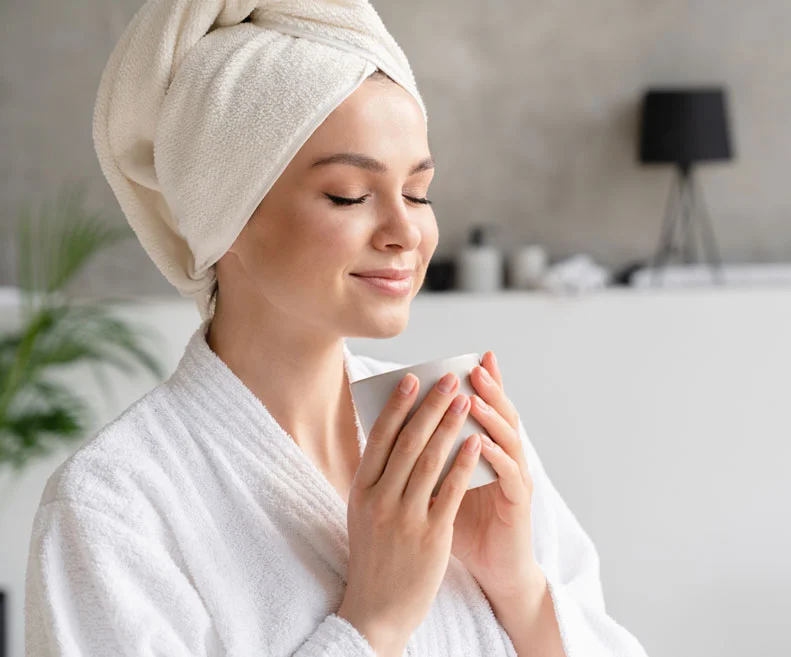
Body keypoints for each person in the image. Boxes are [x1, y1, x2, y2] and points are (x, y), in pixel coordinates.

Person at [24, 1, 648, 656]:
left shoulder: (451, 432)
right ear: (222, 213)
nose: (406, 232)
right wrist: (372, 620)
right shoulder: (114, 507)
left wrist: (517, 585)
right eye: (349, 194)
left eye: (418, 192)